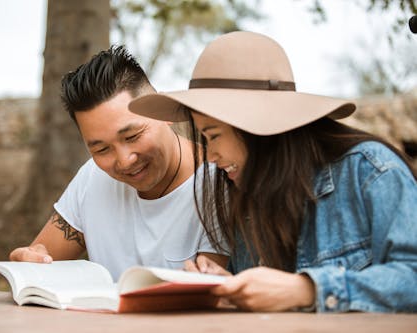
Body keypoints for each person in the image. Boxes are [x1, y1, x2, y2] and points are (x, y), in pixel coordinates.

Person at [129, 31, 417, 312]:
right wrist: (234, 290)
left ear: (259, 127)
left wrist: (307, 290)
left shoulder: (370, 172)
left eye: (213, 136)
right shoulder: (244, 195)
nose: (211, 156)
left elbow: (411, 277)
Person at [9, 46, 228, 281]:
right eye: (102, 149)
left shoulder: (218, 183)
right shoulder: (92, 176)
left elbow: (205, 296)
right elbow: (36, 267)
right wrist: (26, 264)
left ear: (163, 110)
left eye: (132, 136)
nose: (124, 161)